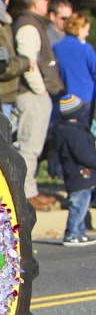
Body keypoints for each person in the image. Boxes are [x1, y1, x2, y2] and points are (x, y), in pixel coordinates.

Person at [12, 0, 63, 212]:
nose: (47, 2)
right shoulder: (28, 27)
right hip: (31, 95)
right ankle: (25, 194)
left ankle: (31, 191)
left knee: (34, 147)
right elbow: (29, 63)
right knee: (28, 147)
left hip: (37, 94)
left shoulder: (35, 25)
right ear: (34, 3)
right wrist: (40, 90)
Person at [48, 95, 96, 246]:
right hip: (79, 174)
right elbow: (84, 155)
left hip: (74, 174)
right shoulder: (75, 133)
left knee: (81, 203)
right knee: (78, 205)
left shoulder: (64, 130)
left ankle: (80, 232)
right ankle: (72, 233)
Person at [53, 13, 96, 130]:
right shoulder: (86, 48)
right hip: (86, 96)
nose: (87, 33)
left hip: (64, 96)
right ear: (78, 28)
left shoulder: (56, 47)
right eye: (86, 30)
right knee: (82, 131)